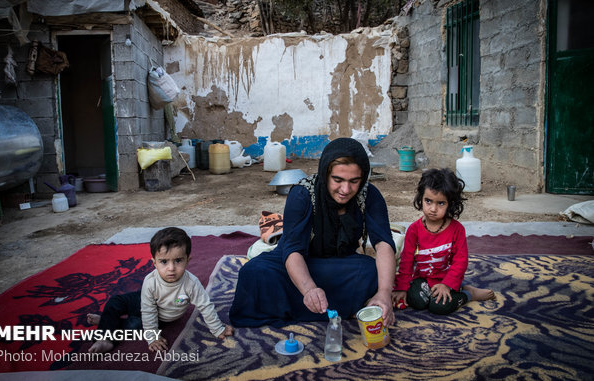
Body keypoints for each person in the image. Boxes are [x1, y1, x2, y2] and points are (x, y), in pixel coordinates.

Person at [229, 137, 397, 327]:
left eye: (354, 181)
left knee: (373, 272)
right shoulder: (302, 194)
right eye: (337, 180)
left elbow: (383, 243)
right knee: (253, 273)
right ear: (325, 174)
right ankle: (347, 306)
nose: (345, 189)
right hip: (298, 263)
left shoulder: (369, 195)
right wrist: (309, 289)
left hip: (340, 265)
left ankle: (326, 306)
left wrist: (384, 293)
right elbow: (293, 251)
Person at [88, 227, 234, 352]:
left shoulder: (191, 284)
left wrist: (217, 328)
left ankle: (107, 323)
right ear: (154, 263)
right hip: (145, 300)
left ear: (187, 260)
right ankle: (106, 337)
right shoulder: (150, 281)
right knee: (115, 301)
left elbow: (205, 306)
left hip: (163, 315)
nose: (171, 268)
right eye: (164, 262)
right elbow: (147, 309)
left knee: (134, 326)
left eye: (178, 261)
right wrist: (153, 338)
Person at [391, 168, 495, 315]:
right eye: (428, 201)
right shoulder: (414, 229)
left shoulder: (457, 229)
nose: (433, 209)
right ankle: (448, 292)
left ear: (450, 204)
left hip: (448, 279)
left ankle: (468, 294)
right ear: (421, 198)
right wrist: (401, 287)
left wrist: (447, 284)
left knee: (439, 307)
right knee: (416, 301)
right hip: (423, 279)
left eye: (441, 203)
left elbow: (461, 261)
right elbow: (406, 260)